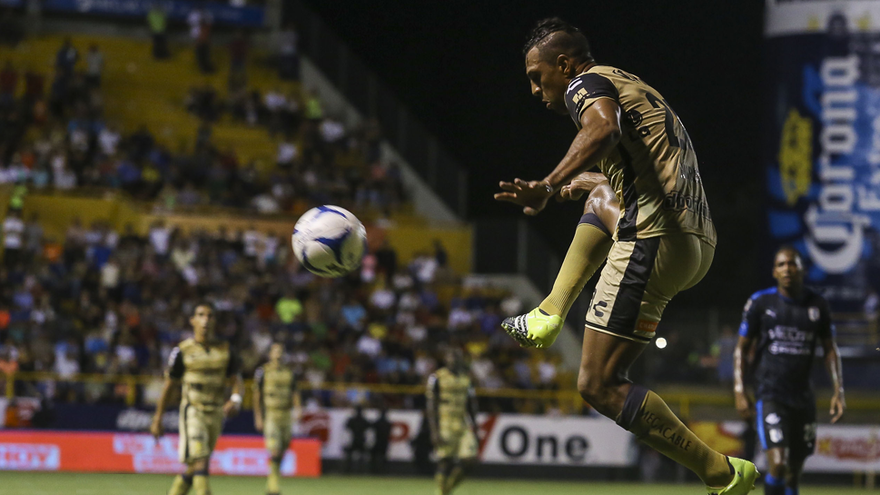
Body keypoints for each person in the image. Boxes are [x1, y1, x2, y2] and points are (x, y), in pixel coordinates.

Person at [493, 18, 757, 494]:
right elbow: (642, 161)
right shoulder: (631, 84)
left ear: (564, 64)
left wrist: (547, 186)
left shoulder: (584, 84)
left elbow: (603, 129)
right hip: (696, 243)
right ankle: (550, 312)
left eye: (537, 76)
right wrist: (593, 181)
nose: (535, 89)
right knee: (599, 199)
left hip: (653, 240)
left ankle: (719, 472)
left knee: (598, 383)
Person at [734, 247, 845, 495]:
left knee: (793, 473)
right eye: (782, 265)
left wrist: (839, 390)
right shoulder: (760, 303)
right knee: (779, 464)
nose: (787, 269)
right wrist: (740, 390)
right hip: (770, 394)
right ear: (774, 271)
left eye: (792, 264)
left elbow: (830, 350)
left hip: (803, 398)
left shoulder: (818, 306)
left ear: (802, 269)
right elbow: (741, 349)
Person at [150, 302, 243, 495]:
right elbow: (169, 387)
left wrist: (235, 399)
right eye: (201, 315)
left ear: (215, 321)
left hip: (216, 412)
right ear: (192, 320)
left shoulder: (225, 350)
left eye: (210, 316)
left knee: (196, 465)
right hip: (193, 410)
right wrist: (158, 418)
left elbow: (237, 381)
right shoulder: (182, 351)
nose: (205, 320)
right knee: (200, 460)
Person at [426, 347, 478, 495]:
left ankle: (447, 490)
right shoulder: (437, 377)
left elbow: (471, 404)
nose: (453, 359)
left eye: (457, 356)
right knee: (445, 461)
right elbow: (431, 405)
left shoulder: (466, 378)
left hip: (463, 424)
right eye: (451, 356)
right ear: (445, 359)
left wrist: (476, 426)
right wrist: (434, 431)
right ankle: (442, 492)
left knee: (470, 459)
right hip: (445, 422)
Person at [253, 342, 301, 495]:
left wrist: (298, 409)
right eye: (275, 351)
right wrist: (258, 416)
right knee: (274, 449)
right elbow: (257, 395)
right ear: (270, 354)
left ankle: (272, 481)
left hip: (286, 415)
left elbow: (295, 392)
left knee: (282, 450)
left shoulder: (289, 373)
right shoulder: (262, 372)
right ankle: (273, 486)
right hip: (271, 414)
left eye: (281, 351)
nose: (278, 354)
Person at [343, 405, 369, 473]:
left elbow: (346, 429)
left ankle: (348, 471)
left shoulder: (352, 420)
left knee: (350, 456)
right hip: (361, 440)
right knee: (362, 457)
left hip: (353, 440)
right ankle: (362, 471)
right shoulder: (364, 420)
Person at [369, 407, 392, 474]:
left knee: (374, 456)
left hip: (378, 442)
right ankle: (383, 471)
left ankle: (373, 470)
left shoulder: (377, 423)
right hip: (385, 442)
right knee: (384, 457)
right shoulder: (388, 424)